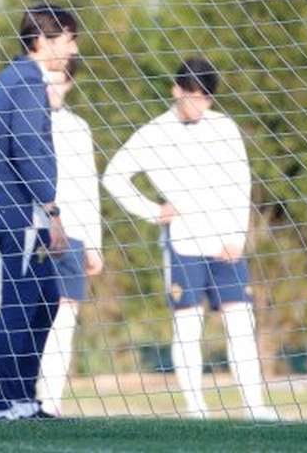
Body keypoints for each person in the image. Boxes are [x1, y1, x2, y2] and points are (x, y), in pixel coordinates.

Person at [102, 57, 277, 421]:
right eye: (194, 96)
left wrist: (236, 236)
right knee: (187, 325)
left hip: (226, 245)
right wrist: (153, 210)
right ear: (176, 91)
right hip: (183, 244)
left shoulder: (224, 128)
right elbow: (114, 176)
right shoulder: (154, 133)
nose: (200, 105)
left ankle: (255, 408)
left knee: (241, 323)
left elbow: (240, 183)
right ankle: (196, 409)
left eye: (207, 99)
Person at [0, 4, 78, 420]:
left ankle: (23, 398)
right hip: (22, 215)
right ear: (42, 41)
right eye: (68, 39)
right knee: (20, 306)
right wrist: (51, 210)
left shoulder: (20, 78)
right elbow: (29, 149)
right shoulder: (24, 81)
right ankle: (4, 405)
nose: (74, 49)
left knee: (46, 301)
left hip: (26, 214)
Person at [36, 60, 103, 417]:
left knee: (65, 317)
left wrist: (94, 243)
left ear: (70, 84)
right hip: (35, 230)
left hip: (73, 233)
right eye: (48, 81)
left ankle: (51, 399)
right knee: (30, 314)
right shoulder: (29, 122)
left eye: (60, 82)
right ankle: (18, 395)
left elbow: (88, 186)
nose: (54, 88)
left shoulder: (79, 128)